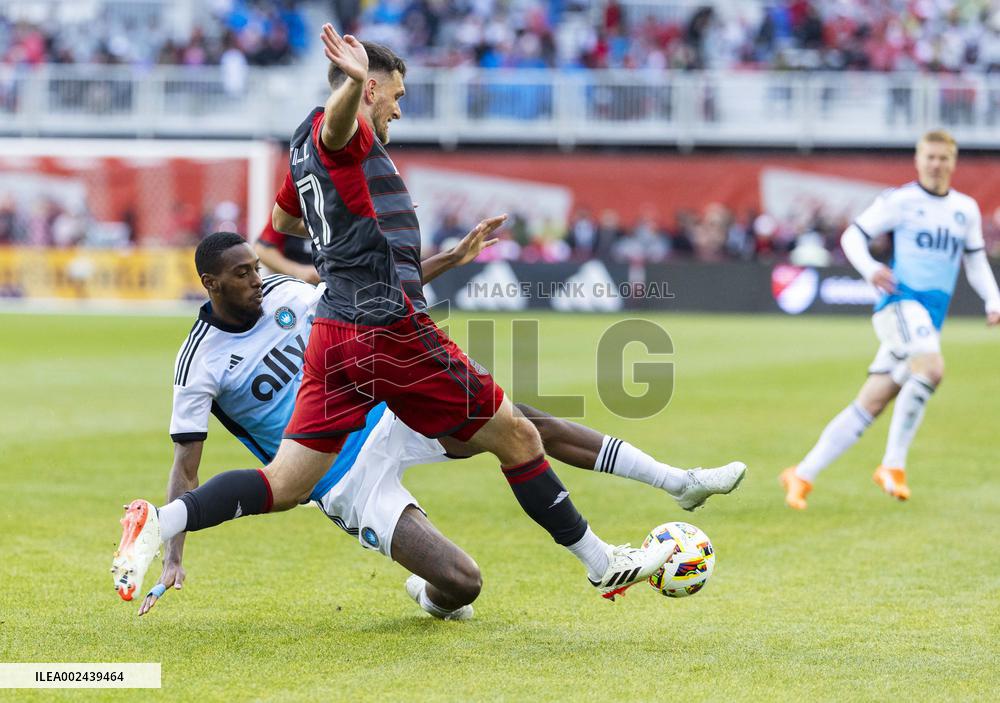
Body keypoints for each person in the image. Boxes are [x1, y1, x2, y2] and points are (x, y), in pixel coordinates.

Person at [132, 233, 744, 619]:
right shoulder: (199, 364)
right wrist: (173, 559)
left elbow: (371, 297)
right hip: (338, 476)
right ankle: (428, 594)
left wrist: (450, 258)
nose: (255, 280)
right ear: (209, 284)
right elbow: (186, 466)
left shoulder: (286, 294)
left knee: (524, 425)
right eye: (240, 275)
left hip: (388, 412)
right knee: (462, 584)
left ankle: (678, 481)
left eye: (254, 268)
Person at [780, 130, 1000, 510]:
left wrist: (993, 298)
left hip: (929, 316)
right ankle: (892, 466)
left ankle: (801, 474)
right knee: (931, 369)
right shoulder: (902, 201)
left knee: (873, 401)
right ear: (918, 160)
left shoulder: (965, 209)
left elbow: (976, 261)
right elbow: (853, 236)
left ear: (953, 161)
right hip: (899, 303)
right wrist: (869, 269)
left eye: (943, 158)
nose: (936, 164)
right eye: (929, 157)